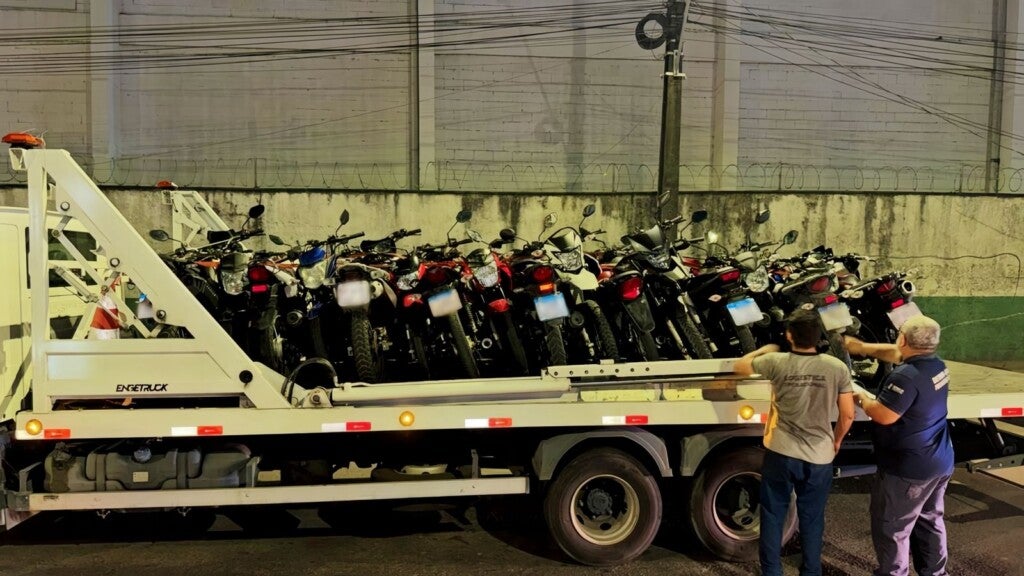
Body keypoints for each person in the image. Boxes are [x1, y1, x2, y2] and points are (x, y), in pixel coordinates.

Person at [734, 309, 856, 576]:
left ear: (789, 335)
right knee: (812, 518)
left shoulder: (775, 362)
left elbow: (740, 366)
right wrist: (835, 442)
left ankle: (772, 571)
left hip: (781, 453)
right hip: (819, 456)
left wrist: (764, 349)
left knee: (773, 515)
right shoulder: (836, 367)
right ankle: (811, 571)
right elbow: (847, 414)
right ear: (818, 336)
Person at [846, 315, 953, 576]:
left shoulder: (905, 377)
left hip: (909, 469)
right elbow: (896, 353)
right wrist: (862, 348)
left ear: (902, 338)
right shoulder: (937, 365)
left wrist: (860, 395)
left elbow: (884, 415)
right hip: (938, 459)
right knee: (930, 520)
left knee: (893, 528)